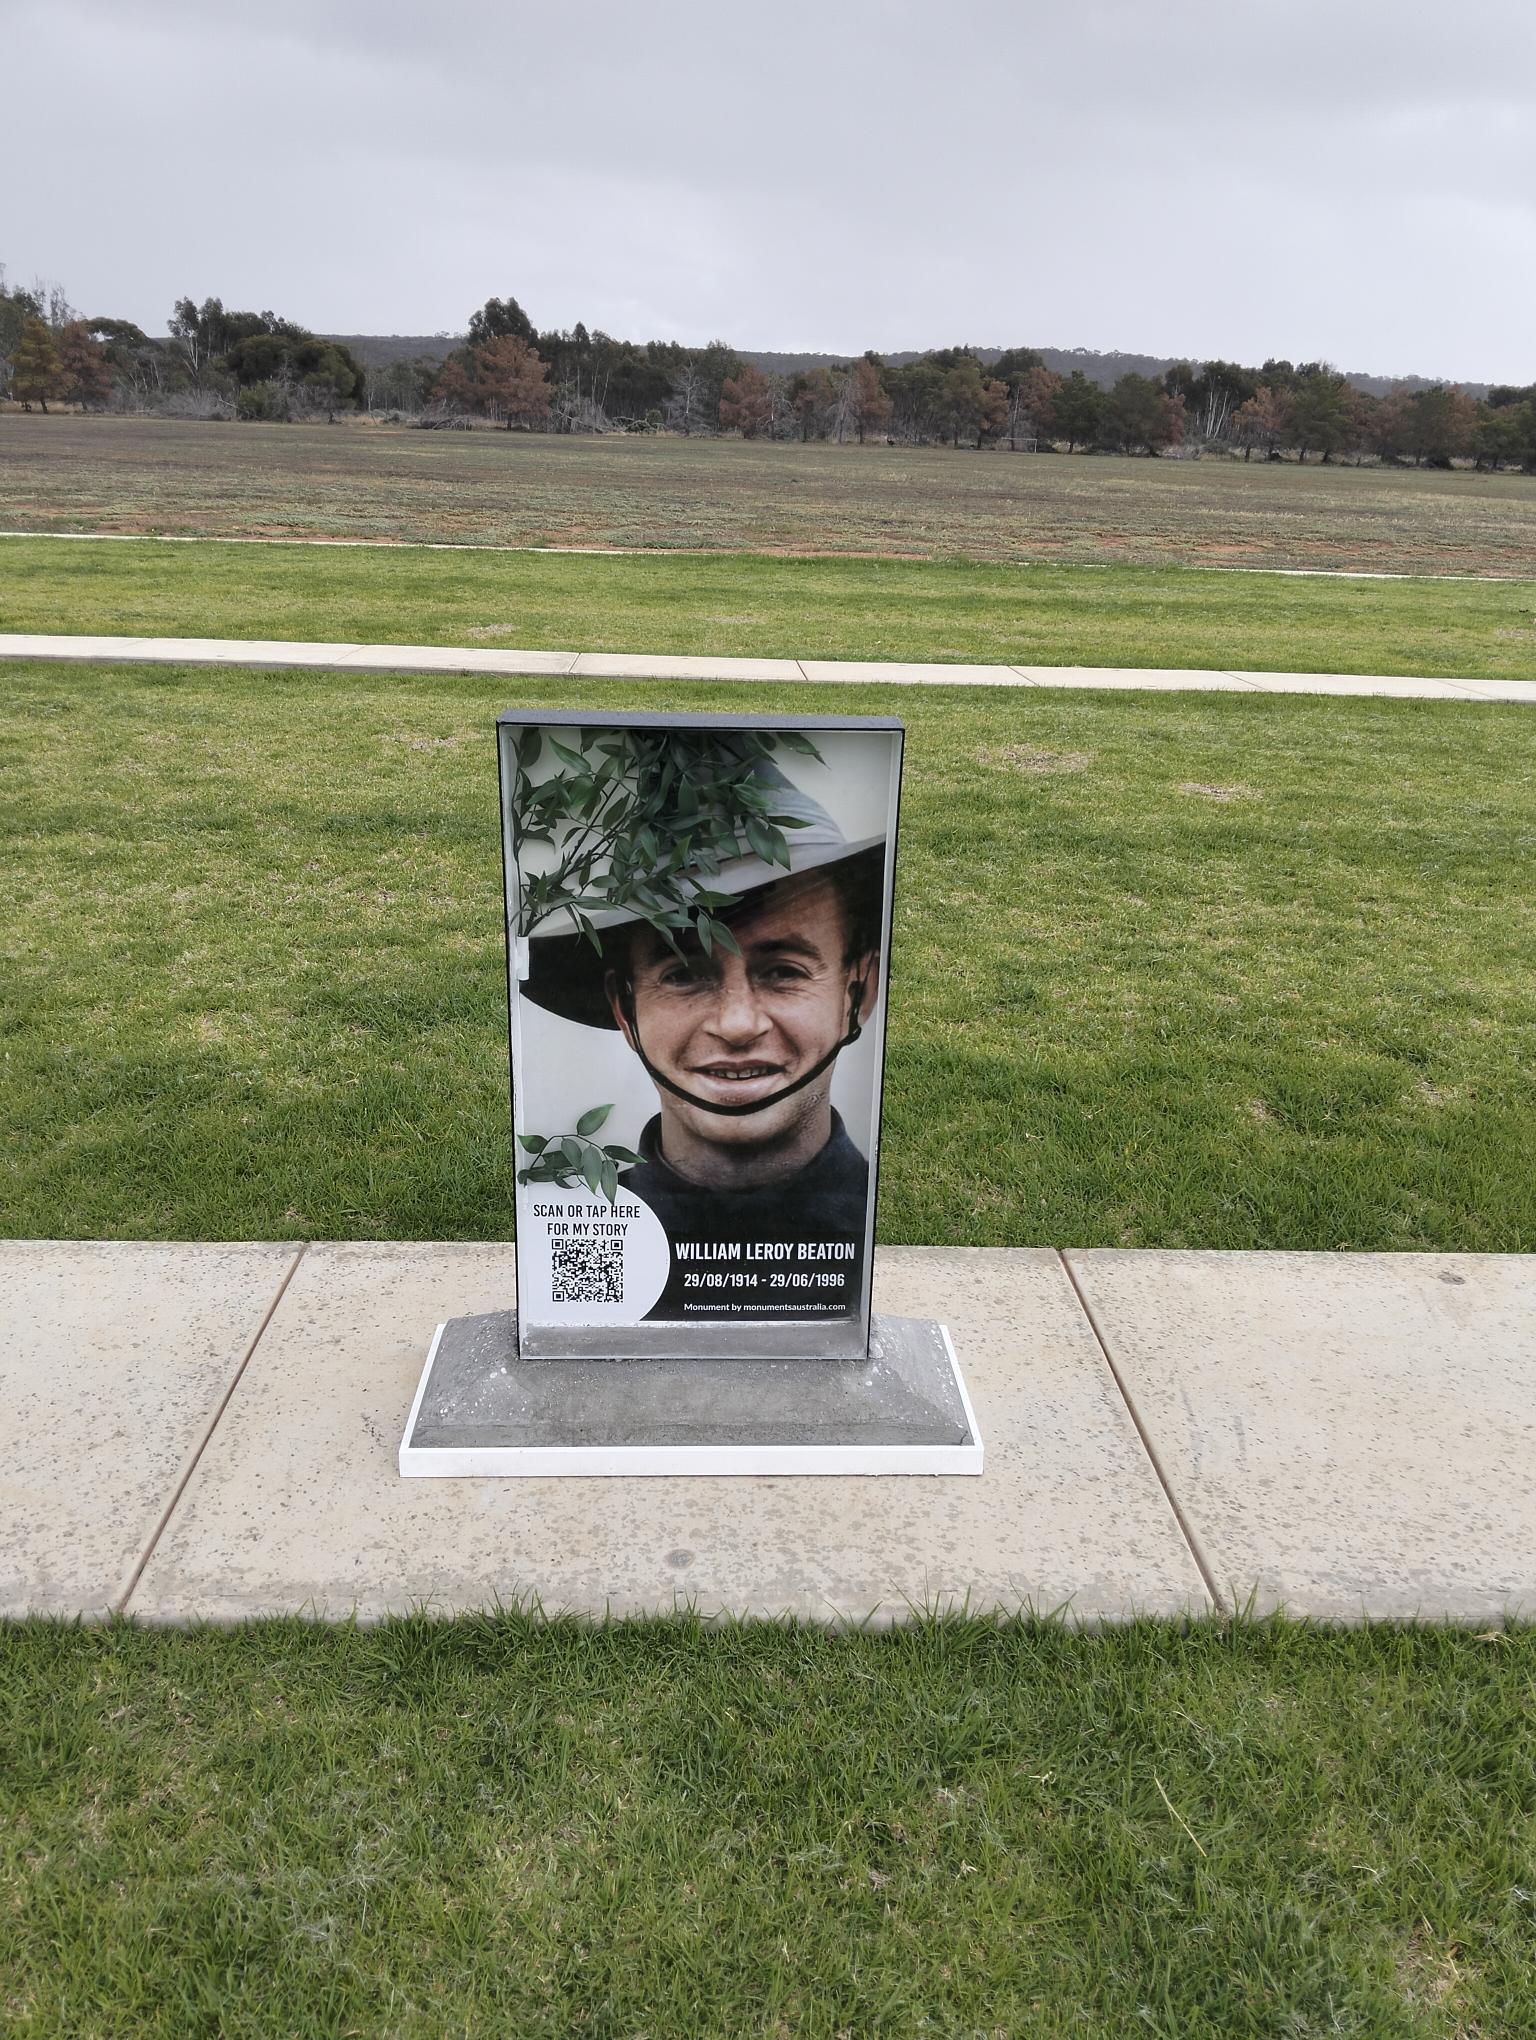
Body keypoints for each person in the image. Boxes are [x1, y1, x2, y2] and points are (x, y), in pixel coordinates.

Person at [521, 770, 886, 1322]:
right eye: (685, 974)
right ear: (625, 1008)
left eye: (784, 971)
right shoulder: (584, 1238)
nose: (737, 1024)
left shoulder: (882, 1248)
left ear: (858, 993)